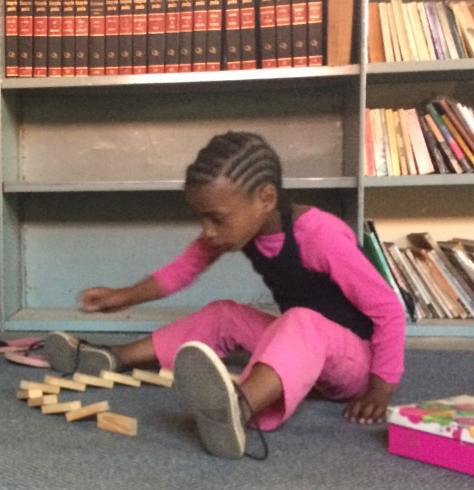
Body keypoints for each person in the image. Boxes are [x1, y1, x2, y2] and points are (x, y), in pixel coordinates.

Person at [43, 131, 405, 460]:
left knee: (301, 320)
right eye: (202, 219)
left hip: (356, 364)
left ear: (265, 198)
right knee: (223, 314)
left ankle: (236, 410)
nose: (208, 231)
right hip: (306, 350)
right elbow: (183, 269)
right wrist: (124, 296)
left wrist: (380, 390)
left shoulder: (321, 235)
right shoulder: (243, 227)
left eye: (216, 218)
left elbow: (389, 309)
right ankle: (114, 357)